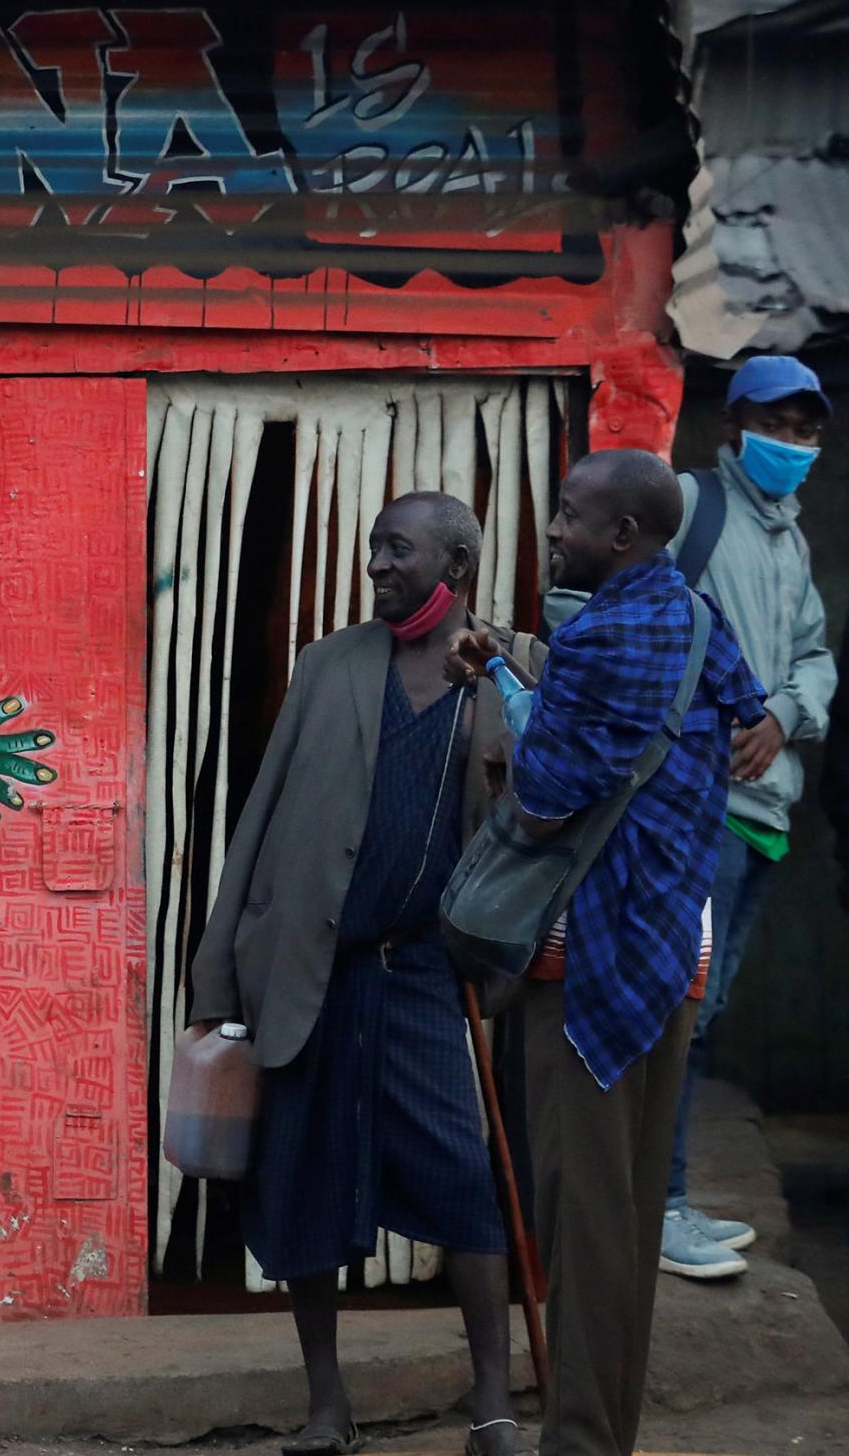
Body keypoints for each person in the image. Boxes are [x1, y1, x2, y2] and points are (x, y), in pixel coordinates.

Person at [192, 492, 535, 1456]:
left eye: (399, 549)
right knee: (306, 1184)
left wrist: (506, 691)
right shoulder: (331, 663)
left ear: (457, 562)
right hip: (314, 969)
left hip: (426, 970)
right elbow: (258, 822)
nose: (377, 565)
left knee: (465, 1181)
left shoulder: (506, 670)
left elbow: (545, 799)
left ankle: (494, 1408)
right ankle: (327, 1407)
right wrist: (216, 982)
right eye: (373, 548)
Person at [449, 449, 767, 1456]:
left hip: (585, 966)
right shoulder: (697, 623)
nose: (553, 528)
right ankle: (606, 1434)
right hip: (671, 955)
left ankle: (578, 1442)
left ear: (621, 535)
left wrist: (506, 715)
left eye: (571, 515)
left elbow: (542, 799)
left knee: (580, 1223)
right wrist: (512, 655)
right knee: (626, 1223)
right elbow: (749, 719)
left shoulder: (595, 645)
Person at [655, 355, 832, 1279]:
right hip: (696, 807)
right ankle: (659, 1207)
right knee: (679, 1007)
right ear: (735, 424)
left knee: (704, 1010)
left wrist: (783, 715)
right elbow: (609, 604)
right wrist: (711, 718)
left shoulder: (791, 542)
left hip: (764, 811)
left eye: (808, 430)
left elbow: (815, 655)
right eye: (778, 423)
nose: (793, 443)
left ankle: (669, 1198)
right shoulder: (690, 504)